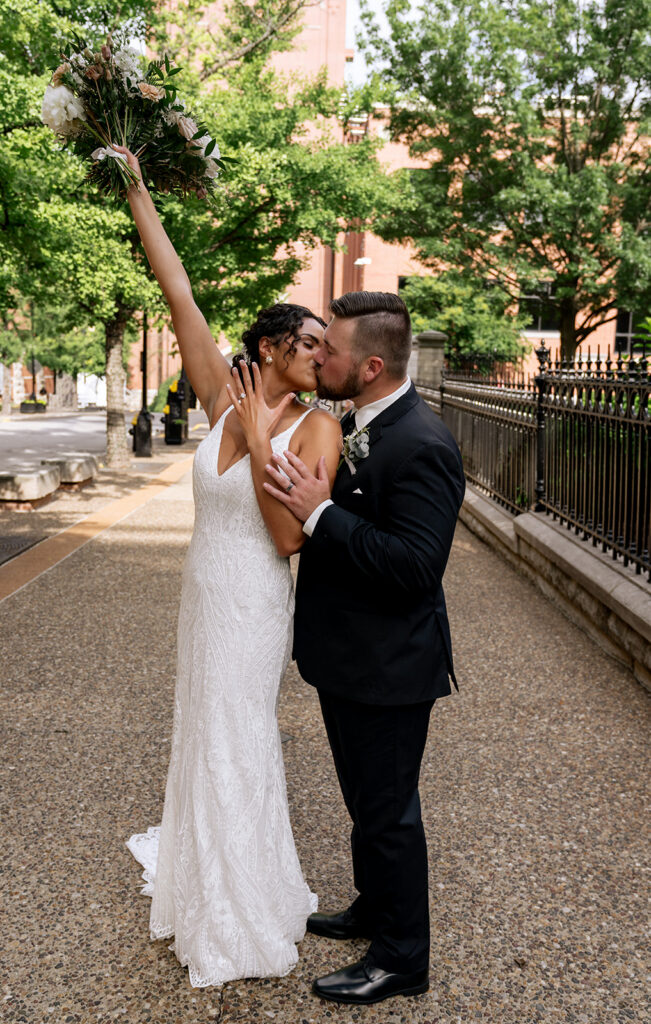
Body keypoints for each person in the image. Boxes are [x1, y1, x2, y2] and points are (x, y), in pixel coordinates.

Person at [118, 146, 343, 987]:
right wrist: (137, 188)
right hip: (203, 594)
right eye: (310, 344)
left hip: (254, 600)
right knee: (199, 726)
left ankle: (240, 901)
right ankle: (200, 882)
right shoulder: (221, 396)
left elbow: (288, 539)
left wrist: (255, 440)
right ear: (271, 347)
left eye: (325, 346)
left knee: (237, 731)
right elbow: (176, 290)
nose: (321, 357)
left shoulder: (317, 428)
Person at [264, 291, 465, 1005]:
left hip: (391, 666)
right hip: (347, 658)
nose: (318, 356)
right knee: (364, 803)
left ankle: (402, 959)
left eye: (331, 349)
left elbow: (415, 566)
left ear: (371, 366)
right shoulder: (356, 422)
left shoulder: (423, 443)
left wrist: (319, 514)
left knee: (388, 814)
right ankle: (375, 908)